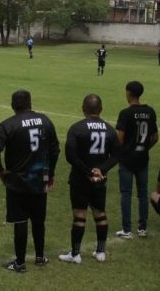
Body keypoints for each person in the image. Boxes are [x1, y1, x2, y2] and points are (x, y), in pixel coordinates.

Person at [0, 90, 60, 272]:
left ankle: (20, 263)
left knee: (20, 221)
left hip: (17, 180)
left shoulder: (7, 125)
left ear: (13, 105)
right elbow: (55, 149)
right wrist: (50, 173)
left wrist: (0, 171)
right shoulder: (45, 120)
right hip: (40, 178)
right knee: (38, 220)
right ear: (30, 103)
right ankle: (39, 257)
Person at [58, 94, 119, 264]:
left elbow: (71, 155)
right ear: (101, 109)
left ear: (83, 108)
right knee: (100, 214)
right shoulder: (109, 130)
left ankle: (75, 254)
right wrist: (101, 170)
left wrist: (87, 172)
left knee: (79, 215)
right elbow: (116, 155)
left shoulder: (76, 128)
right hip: (100, 180)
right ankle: (100, 252)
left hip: (80, 178)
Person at [115, 81, 158, 239]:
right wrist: (144, 147)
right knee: (142, 193)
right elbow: (155, 137)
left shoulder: (125, 113)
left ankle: (127, 229)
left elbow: (119, 138)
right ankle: (142, 228)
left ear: (129, 93)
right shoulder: (150, 111)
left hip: (127, 159)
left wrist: (122, 151)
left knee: (126, 193)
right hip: (142, 158)